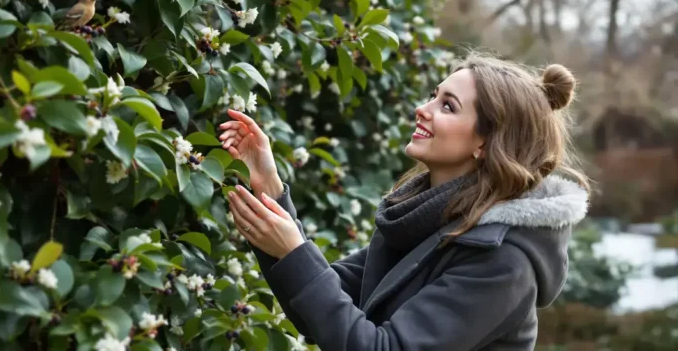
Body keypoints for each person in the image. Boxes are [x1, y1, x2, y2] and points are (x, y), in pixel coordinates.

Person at [219, 52, 590, 350]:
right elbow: (320, 309)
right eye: (433, 96)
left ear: (486, 143)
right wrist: (270, 188)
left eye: (448, 106)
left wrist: (294, 251)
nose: (423, 109)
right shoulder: (426, 217)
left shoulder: (501, 261)